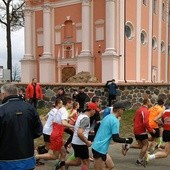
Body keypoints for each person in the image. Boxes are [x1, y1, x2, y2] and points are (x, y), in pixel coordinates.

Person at [0, 83, 43, 170]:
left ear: (3, 94)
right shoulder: (30, 108)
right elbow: (38, 131)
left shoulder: (1, 110)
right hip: (27, 159)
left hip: (6, 161)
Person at [55, 102, 98, 170]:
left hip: (75, 142)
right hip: (81, 144)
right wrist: (87, 142)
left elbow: (78, 128)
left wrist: (88, 131)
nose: (95, 112)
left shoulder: (81, 115)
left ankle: (62, 163)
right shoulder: (86, 119)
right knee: (86, 163)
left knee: (78, 162)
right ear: (92, 110)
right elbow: (79, 133)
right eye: (95, 110)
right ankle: (61, 163)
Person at [91, 101, 133, 170]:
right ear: (118, 109)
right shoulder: (115, 121)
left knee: (111, 166)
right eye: (123, 109)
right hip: (99, 148)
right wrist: (127, 140)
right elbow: (116, 138)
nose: (124, 111)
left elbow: (97, 126)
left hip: (100, 147)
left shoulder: (107, 117)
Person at [35, 97, 74, 169]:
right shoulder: (63, 111)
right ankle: (36, 157)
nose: (72, 105)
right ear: (67, 103)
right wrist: (74, 126)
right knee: (54, 155)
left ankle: (60, 167)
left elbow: (49, 119)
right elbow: (63, 123)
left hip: (53, 132)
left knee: (63, 152)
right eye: (71, 103)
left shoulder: (59, 110)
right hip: (56, 134)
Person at [133, 98, 155, 166]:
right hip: (141, 130)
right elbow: (145, 122)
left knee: (141, 146)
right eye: (150, 101)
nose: (151, 103)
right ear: (147, 102)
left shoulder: (139, 109)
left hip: (136, 130)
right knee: (146, 145)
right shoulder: (145, 111)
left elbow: (134, 119)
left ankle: (127, 145)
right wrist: (151, 130)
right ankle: (139, 161)